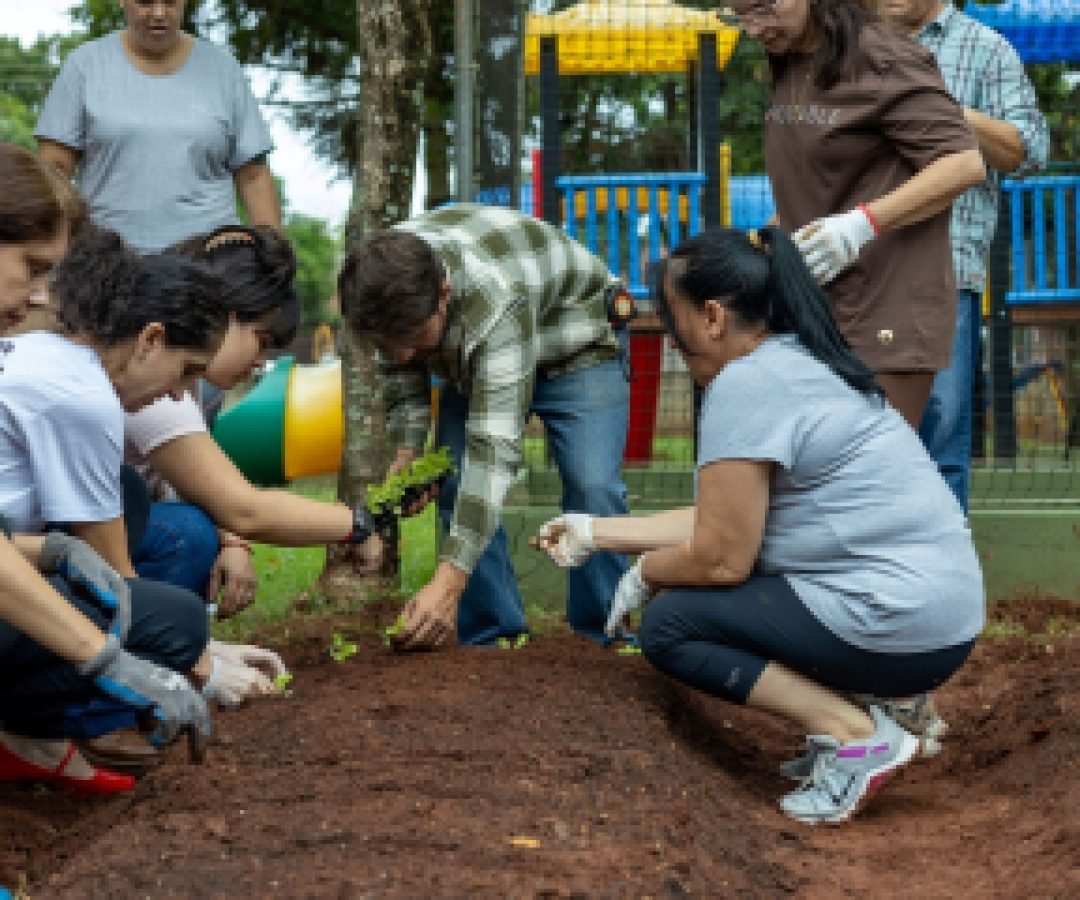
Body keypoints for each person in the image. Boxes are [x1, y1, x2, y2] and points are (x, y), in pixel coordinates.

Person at [535, 228, 984, 824]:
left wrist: (647, 573)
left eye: (672, 319)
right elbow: (728, 518)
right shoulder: (795, 361)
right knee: (725, 592)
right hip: (938, 619)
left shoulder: (746, 385)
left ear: (713, 317)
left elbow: (722, 557)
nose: (670, 338)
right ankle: (882, 711)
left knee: (672, 625)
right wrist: (597, 533)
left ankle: (855, 736)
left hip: (898, 619)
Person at [0, 143, 211, 794]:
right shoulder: (77, 386)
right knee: (166, 617)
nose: (40, 295)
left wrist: (46, 550)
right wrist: (113, 662)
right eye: (32, 267)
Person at [339, 203, 631, 648]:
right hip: (479, 357)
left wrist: (447, 583)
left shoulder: (493, 298)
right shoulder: (383, 282)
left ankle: (607, 635)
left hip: (577, 346)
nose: (402, 355)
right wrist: (408, 450)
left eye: (416, 340)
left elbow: (493, 455)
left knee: (593, 488)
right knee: (456, 485)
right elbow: (401, 372)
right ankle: (492, 639)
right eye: (388, 344)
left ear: (444, 293)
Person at [727, 0, 986, 427]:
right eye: (738, 15)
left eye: (762, 9)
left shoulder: (881, 56)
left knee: (867, 476)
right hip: (813, 308)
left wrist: (861, 225)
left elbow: (962, 162)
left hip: (886, 310)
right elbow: (829, 182)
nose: (753, 28)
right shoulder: (790, 58)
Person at [125, 226, 383, 614]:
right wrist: (356, 524)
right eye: (260, 340)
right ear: (225, 316)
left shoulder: (182, 380)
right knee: (187, 535)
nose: (261, 362)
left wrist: (233, 542)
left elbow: (207, 487)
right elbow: (245, 509)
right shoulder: (157, 382)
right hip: (49, 541)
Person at [882, 0, 1049, 512]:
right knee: (860, 438)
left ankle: (941, 587)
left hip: (947, 270)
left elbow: (1030, 150)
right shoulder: (852, 46)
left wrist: (944, 107)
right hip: (860, 271)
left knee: (942, 438)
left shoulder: (986, 48)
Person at [35, 0, 279, 255]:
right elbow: (54, 169)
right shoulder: (85, 65)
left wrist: (275, 261)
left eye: (171, 2)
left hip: (210, 262)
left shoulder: (223, 69)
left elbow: (253, 176)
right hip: (109, 260)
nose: (159, 13)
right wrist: (47, 257)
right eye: (145, 2)